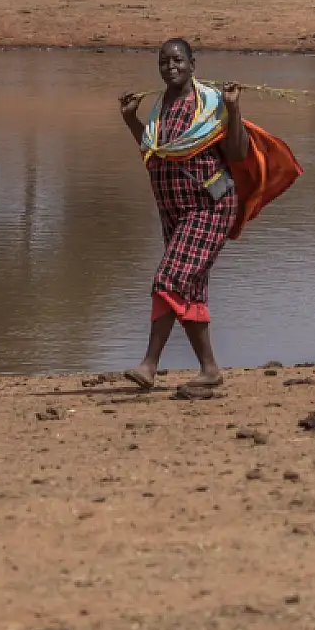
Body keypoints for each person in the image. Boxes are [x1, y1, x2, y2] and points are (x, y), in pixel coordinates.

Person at [118, 38, 251, 390]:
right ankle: (210, 370)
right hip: (174, 210)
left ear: (193, 64)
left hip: (209, 206)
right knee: (187, 288)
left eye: (177, 60)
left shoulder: (210, 104)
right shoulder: (160, 107)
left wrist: (235, 108)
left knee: (168, 279)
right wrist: (131, 120)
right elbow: (155, 151)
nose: (171, 67)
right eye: (164, 61)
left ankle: (149, 365)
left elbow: (237, 151)